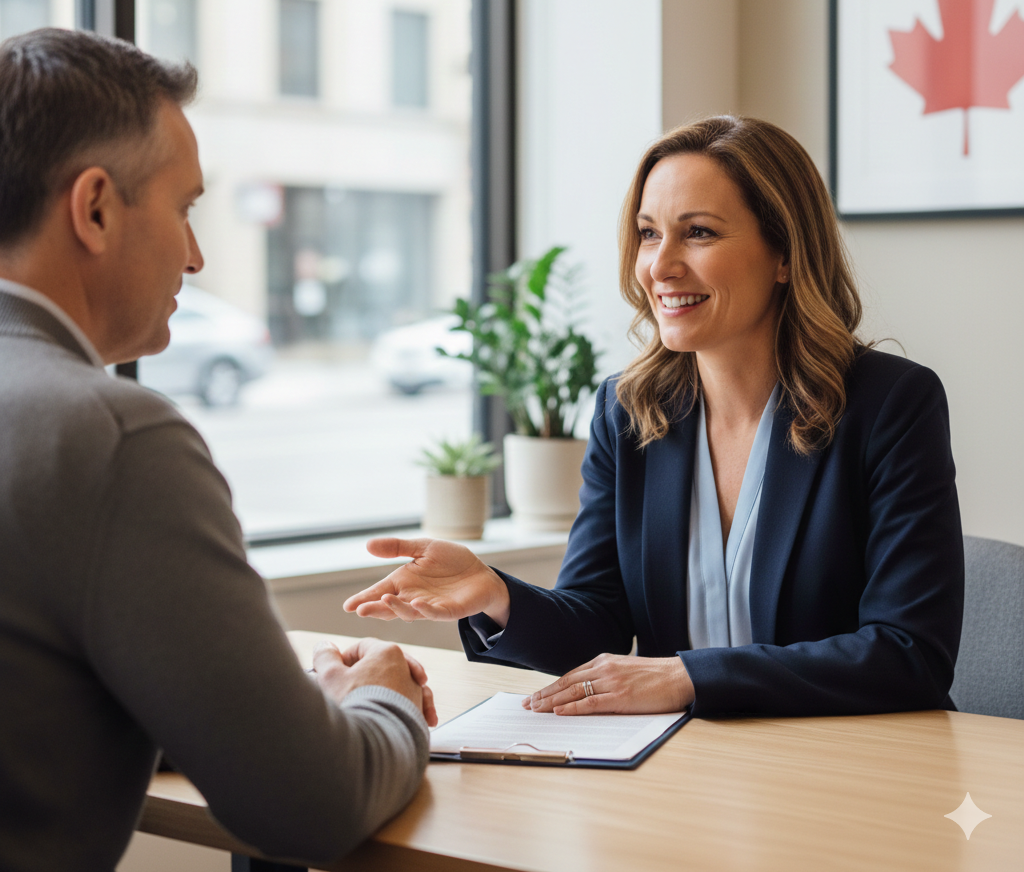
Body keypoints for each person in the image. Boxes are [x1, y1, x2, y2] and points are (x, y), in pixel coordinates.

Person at [344, 116, 964, 720]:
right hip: (685, 763)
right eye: (648, 233)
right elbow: (598, 626)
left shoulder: (891, 405)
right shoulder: (628, 411)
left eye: (698, 232)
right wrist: (496, 595)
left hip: (853, 763)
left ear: (784, 254)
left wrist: (686, 677)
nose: (660, 266)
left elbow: (909, 653)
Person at [0, 28, 437, 872]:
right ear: (95, 209)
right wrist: (381, 700)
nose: (196, 257)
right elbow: (313, 805)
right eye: (185, 209)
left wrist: (272, 713)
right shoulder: (115, 440)